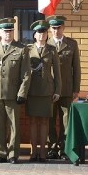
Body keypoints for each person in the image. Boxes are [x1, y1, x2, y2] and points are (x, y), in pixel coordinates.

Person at [0, 18, 32, 164]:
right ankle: (0, 153)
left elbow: (26, 74)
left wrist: (22, 93)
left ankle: (13, 154)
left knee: (14, 126)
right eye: (5, 31)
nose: (8, 33)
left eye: (10, 31)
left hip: (13, 94)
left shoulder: (21, 49)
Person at [25, 20, 61, 162]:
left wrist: (57, 90)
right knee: (33, 122)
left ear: (47, 34)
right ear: (34, 35)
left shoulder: (52, 50)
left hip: (47, 90)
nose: (42, 35)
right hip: (32, 90)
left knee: (45, 122)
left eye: (44, 32)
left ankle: (43, 153)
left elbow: (57, 72)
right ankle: (33, 152)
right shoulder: (28, 50)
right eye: (39, 33)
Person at [46, 15, 81, 160]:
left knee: (66, 121)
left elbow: (76, 68)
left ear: (63, 28)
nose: (56, 31)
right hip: (49, 89)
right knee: (50, 120)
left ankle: (65, 149)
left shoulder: (71, 44)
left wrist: (76, 89)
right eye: (53, 28)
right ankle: (52, 148)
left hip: (66, 89)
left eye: (58, 28)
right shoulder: (45, 44)